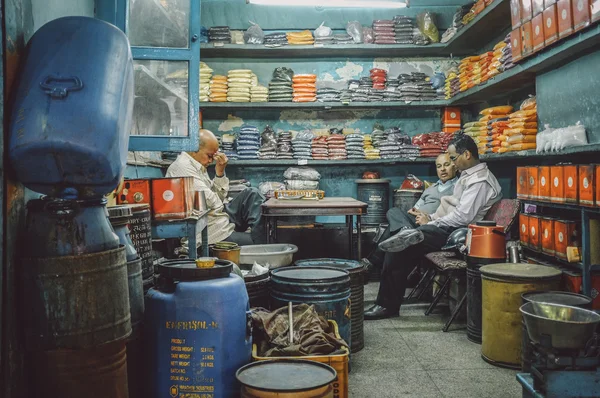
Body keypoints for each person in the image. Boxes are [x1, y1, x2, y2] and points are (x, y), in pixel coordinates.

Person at [364, 133, 502, 320]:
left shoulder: (480, 181)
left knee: (399, 246)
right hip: (443, 224)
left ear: (467, 155)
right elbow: (452, 208)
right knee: (395, 213)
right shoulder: (468, 176)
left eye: (453, 159)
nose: (452, 164)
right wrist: (430, 217)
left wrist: (432, 221)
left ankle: (385, 304)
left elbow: (463, 217)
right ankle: (405, 231)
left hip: (456, 234)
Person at [166, 129, 266, 250]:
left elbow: (217, 199)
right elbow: (212, 201)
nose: (210, 161)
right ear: (194, 149)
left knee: (251, 194)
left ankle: (260, 240)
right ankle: (261, 246)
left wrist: (219, 173)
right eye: (209, 156)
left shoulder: (197, 166)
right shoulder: (182, 167)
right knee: (256, 242)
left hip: (216, 219)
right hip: (209, 231)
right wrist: (220, 202)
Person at [361, 153, 458, 271]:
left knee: (393, 233)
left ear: (455, 166)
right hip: (415, 222)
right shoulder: (431, 188)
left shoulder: (458, 187)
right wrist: (414, 212)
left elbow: (454, 215)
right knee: (393, 211)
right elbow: (416, 207)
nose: (442, 169)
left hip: (432, 225)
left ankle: (372, 261)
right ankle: (405, 230)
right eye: (439, 166)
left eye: (446, 165)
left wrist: (429, 219)